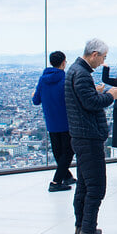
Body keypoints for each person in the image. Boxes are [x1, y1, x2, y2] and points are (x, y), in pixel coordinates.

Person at [65, 38, 117, 234]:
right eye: (103, 57)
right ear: (94, 55)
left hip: (82, 135)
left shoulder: (75, 70)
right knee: (96, 186)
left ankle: (81, 226)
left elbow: (84, 99)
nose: (102, 62)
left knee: (84, 184)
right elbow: (90, 103)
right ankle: (88, 229)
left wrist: (97, 92)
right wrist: (110, 95)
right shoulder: (81, 74)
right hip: (87, 136)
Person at [33, 51, 76, 192]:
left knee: (58, 152)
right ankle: (56, 182)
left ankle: (67, 176)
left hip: (51, 122)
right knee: (68, 152)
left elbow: (36, 100)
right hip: (66, 121)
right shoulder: (66, 79)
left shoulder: (43, 79)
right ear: (63, 62)